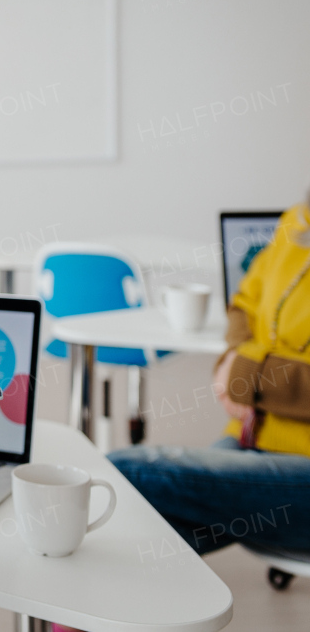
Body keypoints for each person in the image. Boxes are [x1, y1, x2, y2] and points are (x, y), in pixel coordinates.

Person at [109, 199, 310, 558]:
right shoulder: (296, 220)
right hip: (253, 439)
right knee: (141, 527)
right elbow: (244, 305)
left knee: (128, 474)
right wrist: (238, 359)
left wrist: (245, 374)